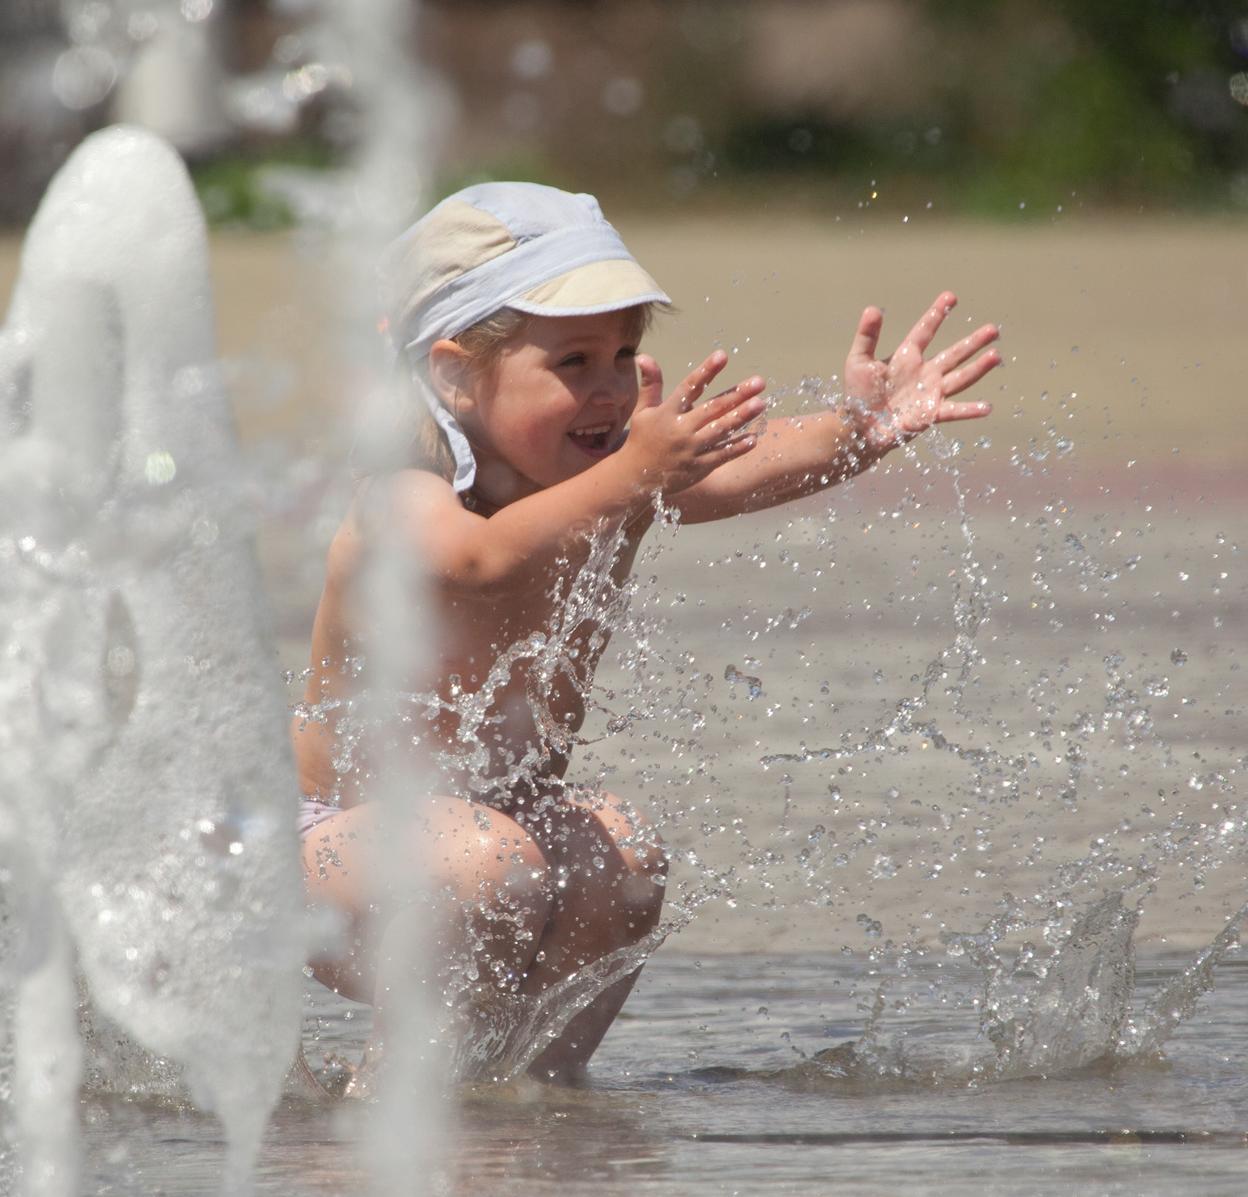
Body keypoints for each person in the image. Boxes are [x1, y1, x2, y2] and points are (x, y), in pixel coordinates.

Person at [290, 182, 1001, 1086]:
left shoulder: (611, 482)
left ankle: (531, 1099)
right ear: (456, 375)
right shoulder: (402, 500)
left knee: (620, 847)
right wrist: (633, 475)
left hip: (481, 848)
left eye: (624, 355)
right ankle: (388, 1102)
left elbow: (756, 465)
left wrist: (860, 431)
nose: (610, 388)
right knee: (485, 858)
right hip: (331, 857)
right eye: (574, 362)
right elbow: (480, 562)